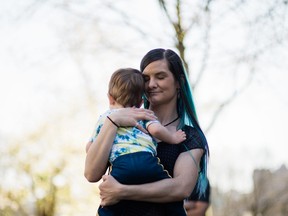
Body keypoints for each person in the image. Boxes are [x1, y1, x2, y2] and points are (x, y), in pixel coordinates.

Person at [85, 48, 209, 216]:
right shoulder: (118, 122)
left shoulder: (189, 137)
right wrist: (112, 123)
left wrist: (121, 191)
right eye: (146, 78)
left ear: (178, 82)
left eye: (160, 76)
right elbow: (91, 174)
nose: (151, 84)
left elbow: (180, 188)